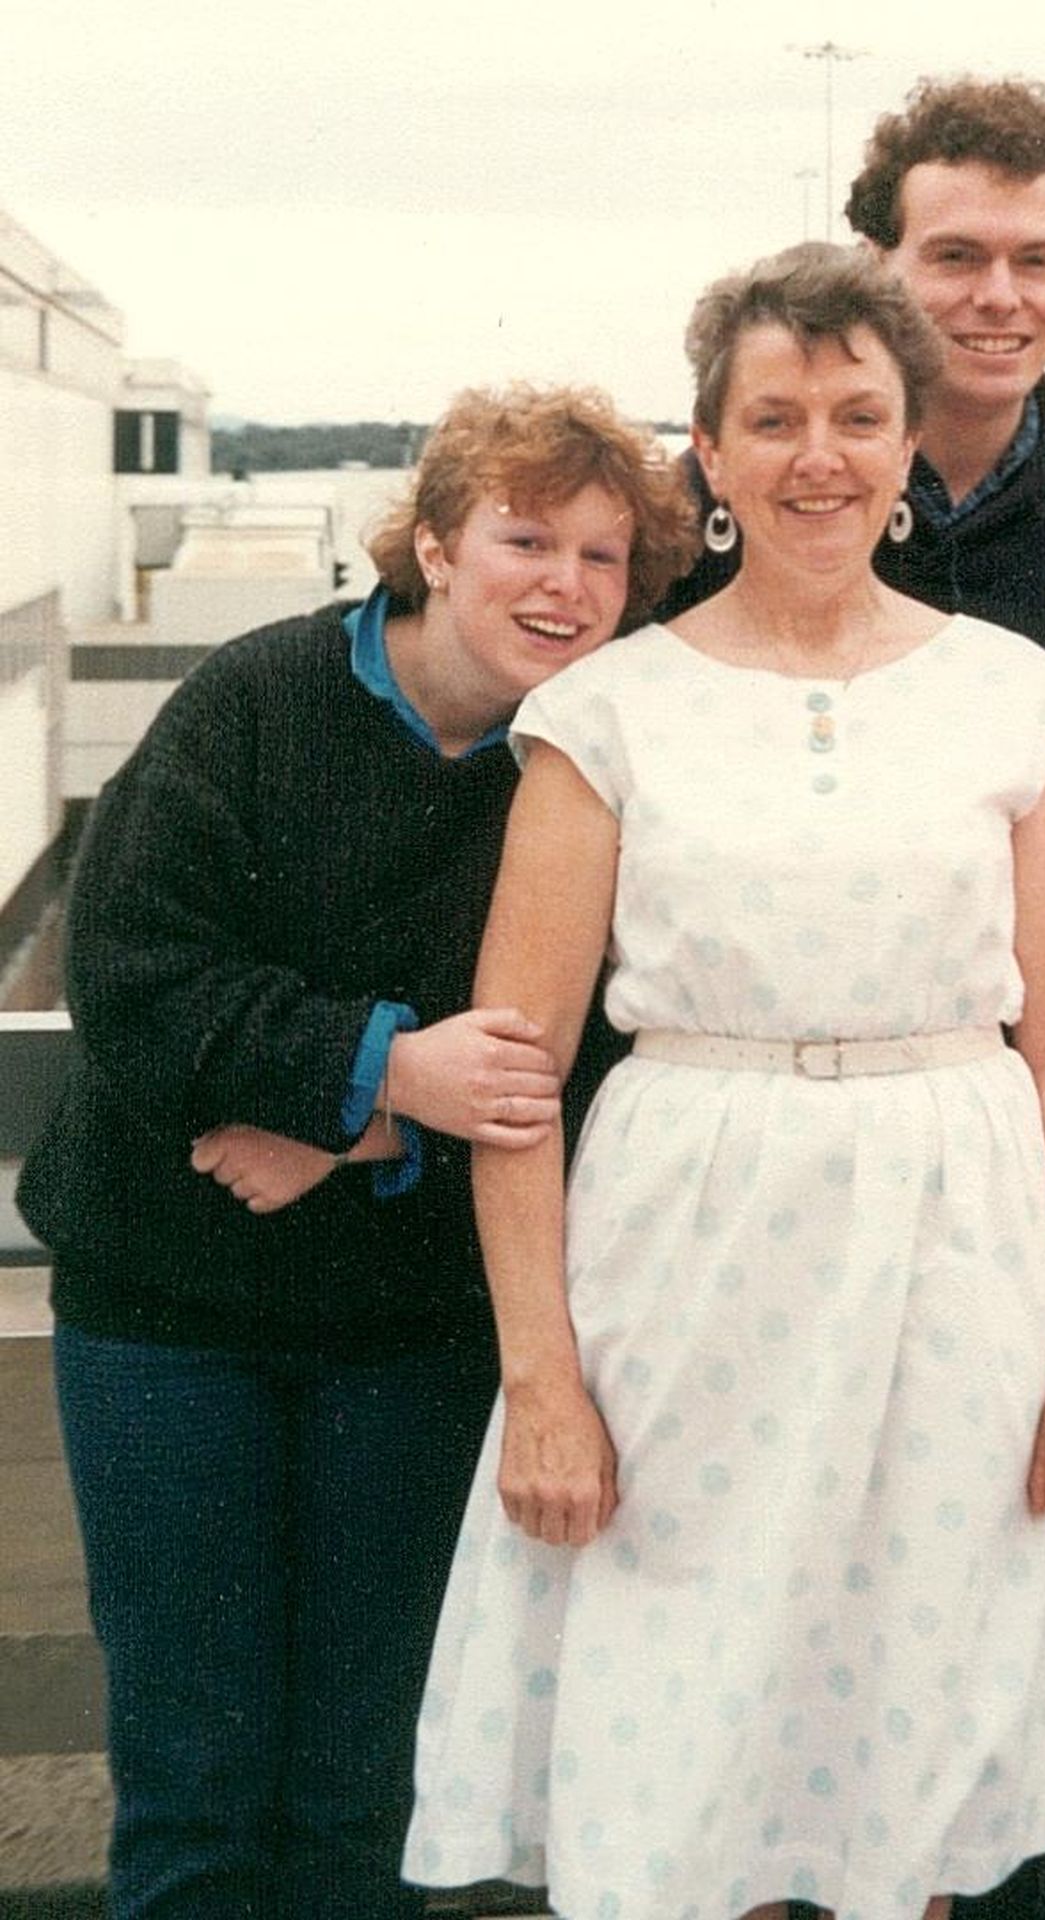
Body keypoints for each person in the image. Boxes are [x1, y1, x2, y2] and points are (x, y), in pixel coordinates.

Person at [404, 242, 1045, 1920]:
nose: (817, 454)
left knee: (914, 1752)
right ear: (711, 453)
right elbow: (515, 1077)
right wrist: (543, 1382)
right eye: (774, 417)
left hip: (955, 1262)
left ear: (902, 447)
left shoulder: (1022, 709)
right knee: (689, 1768)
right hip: (686, 1264)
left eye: (855, 416)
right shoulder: (604, 717)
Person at [17, 385, 697, 1920]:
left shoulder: (592, 765)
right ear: (437, 543)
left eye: (602, 558)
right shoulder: (256, 702)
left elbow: (598, 1040)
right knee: (194, 1784)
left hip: (411, 1330)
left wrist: (354, 1129)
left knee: (363, 1785)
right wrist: (383, 1068)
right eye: (525, 538)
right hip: (171, 1314)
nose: (563, 586)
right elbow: (129, 968)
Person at [660, 74, 1045, 736]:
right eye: (957, 257)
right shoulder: (695, 505)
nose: (1000, 296)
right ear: (874, 264)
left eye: (1036, 261)